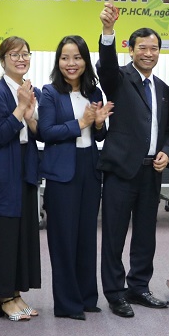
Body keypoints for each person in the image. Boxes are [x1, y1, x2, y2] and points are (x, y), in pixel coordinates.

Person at [97, 2, 169, 317]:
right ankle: (115, 293)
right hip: (120, 170)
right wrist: (107, 31)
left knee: (146, 234)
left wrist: (167, 154)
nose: (148, 53)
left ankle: (139, 286)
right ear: (131, 50)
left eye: (154, 48)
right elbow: (104, 64)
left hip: (150, 172)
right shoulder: (118, 78)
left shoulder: (164, 89)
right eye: (142, 48)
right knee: (114, 234)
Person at [39, 36, 113, 320]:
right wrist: (80, 123)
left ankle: (86, 297)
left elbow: (100, 135)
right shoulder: (49, 93)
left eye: (77, 57)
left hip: (89, 168)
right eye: (65, 58)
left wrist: (97, 124)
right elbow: (46, 132)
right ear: (58, 62)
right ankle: (67, 304)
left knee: (85, 237)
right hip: (61, 172)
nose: (71, 64)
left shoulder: (95, 93)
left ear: (85, 61)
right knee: (63, 239)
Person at [0, 37, 41, 322]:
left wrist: (30, 115)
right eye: (14, 54)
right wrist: (20, 109)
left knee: (23, 234)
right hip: (4, 171)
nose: (21, 59)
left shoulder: (31, 89)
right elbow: (1, 134)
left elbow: (37, 132)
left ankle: (17, 293)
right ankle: (3, 297)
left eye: (25, 54)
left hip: (25, 169)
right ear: (3, 59)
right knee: (4, 235)